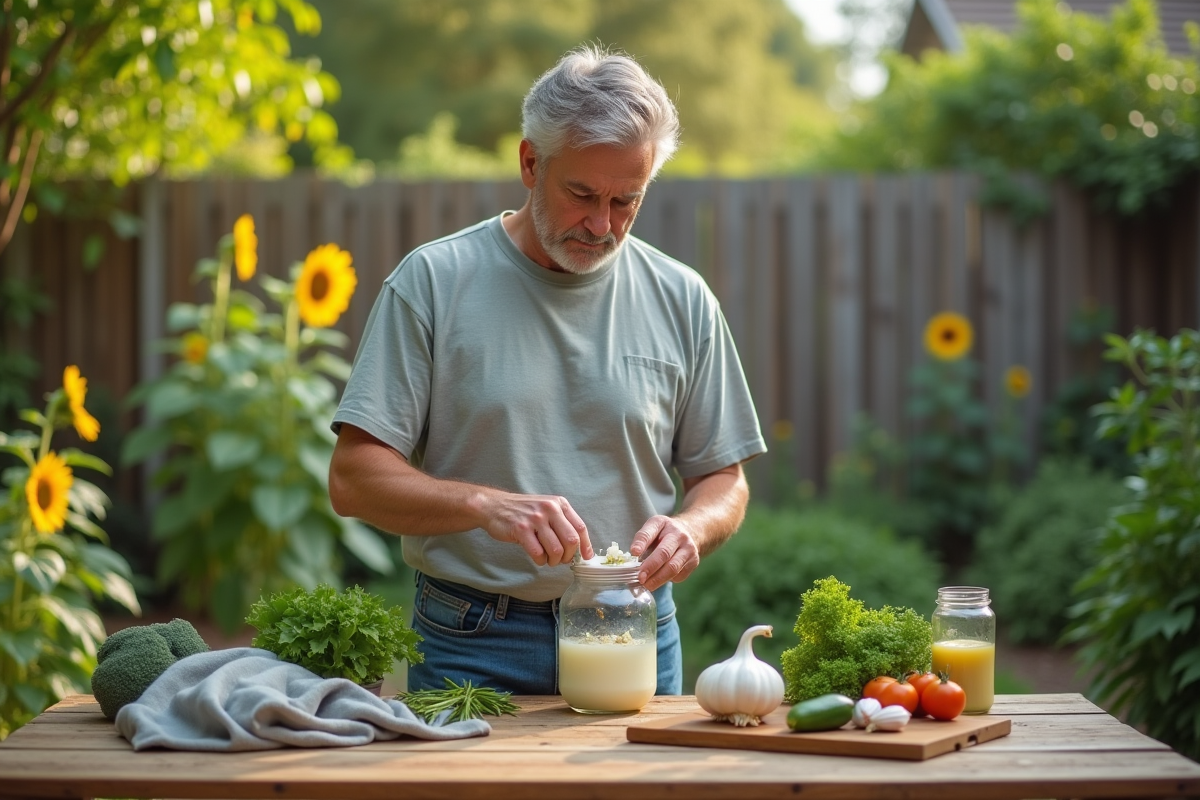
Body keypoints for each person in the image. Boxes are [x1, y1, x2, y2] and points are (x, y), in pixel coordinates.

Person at [328, 44, 766, 696]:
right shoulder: (433, 282)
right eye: (582, 193)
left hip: (635, 625)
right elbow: (353, 480)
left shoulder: (683, 296)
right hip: (472, 637)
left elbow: (723, 479)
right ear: (531, 163)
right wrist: (481, 505)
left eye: (627, 200)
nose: (602, 224)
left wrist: (692, 527)